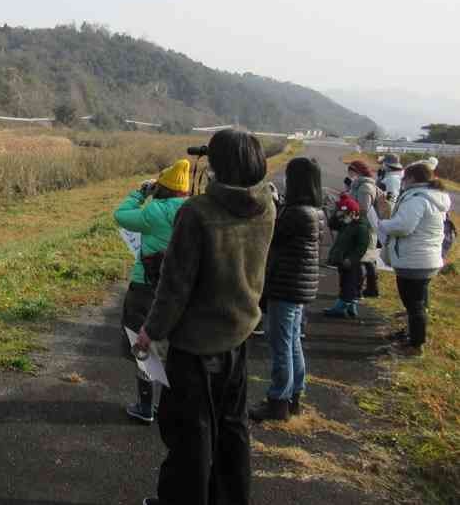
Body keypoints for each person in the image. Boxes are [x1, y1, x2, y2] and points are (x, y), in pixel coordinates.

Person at [136, 130, 276, 505]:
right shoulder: (267, 206)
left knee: (190, 433)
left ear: (217, 165)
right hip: (239, 334)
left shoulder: (197, 213)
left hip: (196, 344)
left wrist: (151, 331)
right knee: (233, 427)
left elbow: (175, 286)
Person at [114, 159, 190, 424]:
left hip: (146, 287)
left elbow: (121, 215)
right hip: (181, 288)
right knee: (177, 347)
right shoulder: (192, 209)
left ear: (163, 187)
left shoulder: (154, 210)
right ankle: (173, 407)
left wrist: (141, 192)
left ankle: (146, 406)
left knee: (143, 345)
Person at [250, 157, 322, 422]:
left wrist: (268, 205)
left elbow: (270, 235)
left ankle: (278, 400)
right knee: (291, 343)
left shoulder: (296, 214)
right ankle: (294, 397)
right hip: (298, 286)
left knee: (280, 344)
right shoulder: (315, 211)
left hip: (286, 285)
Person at [379, 163, 451, 356]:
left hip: (414, 259)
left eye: (404, 178)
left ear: (411, 178)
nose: (402, 181)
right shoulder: (434, 196)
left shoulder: (417, 199)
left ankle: (415, 345)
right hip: (426, 258)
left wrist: (384, 223)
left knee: (413, 304)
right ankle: (411, 335)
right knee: (418, 303)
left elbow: (404, 226)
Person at [323, 194, 370, 318]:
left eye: (345, 214)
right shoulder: (347, 223)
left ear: (353, 213)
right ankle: (350, 307)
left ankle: (340, 307)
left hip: (352, 262)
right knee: (345, 283)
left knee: (349, 284)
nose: (343, 218)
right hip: (343, 260)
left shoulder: (361, 227)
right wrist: (336, 215)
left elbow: (361, 247)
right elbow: (332, 225)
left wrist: (351, 259)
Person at [347, 160, 380, 298]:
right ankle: (371, 289)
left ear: (358, 171)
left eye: (351, 171)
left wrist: (349, 213)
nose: (349, 173)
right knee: (368, 258)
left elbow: (363, 209)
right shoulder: (362, 185)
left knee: (362, 258)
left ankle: (358, 290)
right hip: (364, 226)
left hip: (363, 226)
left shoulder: (365, 187)